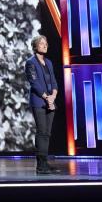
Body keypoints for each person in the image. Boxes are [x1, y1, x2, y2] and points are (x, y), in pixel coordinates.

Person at [25, 35, 60, 174]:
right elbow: (35, 83)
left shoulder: (49, 63)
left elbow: (54, 81)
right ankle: (40, 165)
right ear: (35, 47)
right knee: (41, 132)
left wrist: (53, 96)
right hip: (39, 102)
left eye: (46, 43)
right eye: (41, 44)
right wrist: (47, 98)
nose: (45, 46)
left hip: (50, 101)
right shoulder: (31, 63)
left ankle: (45, 162)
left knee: (47, 133)